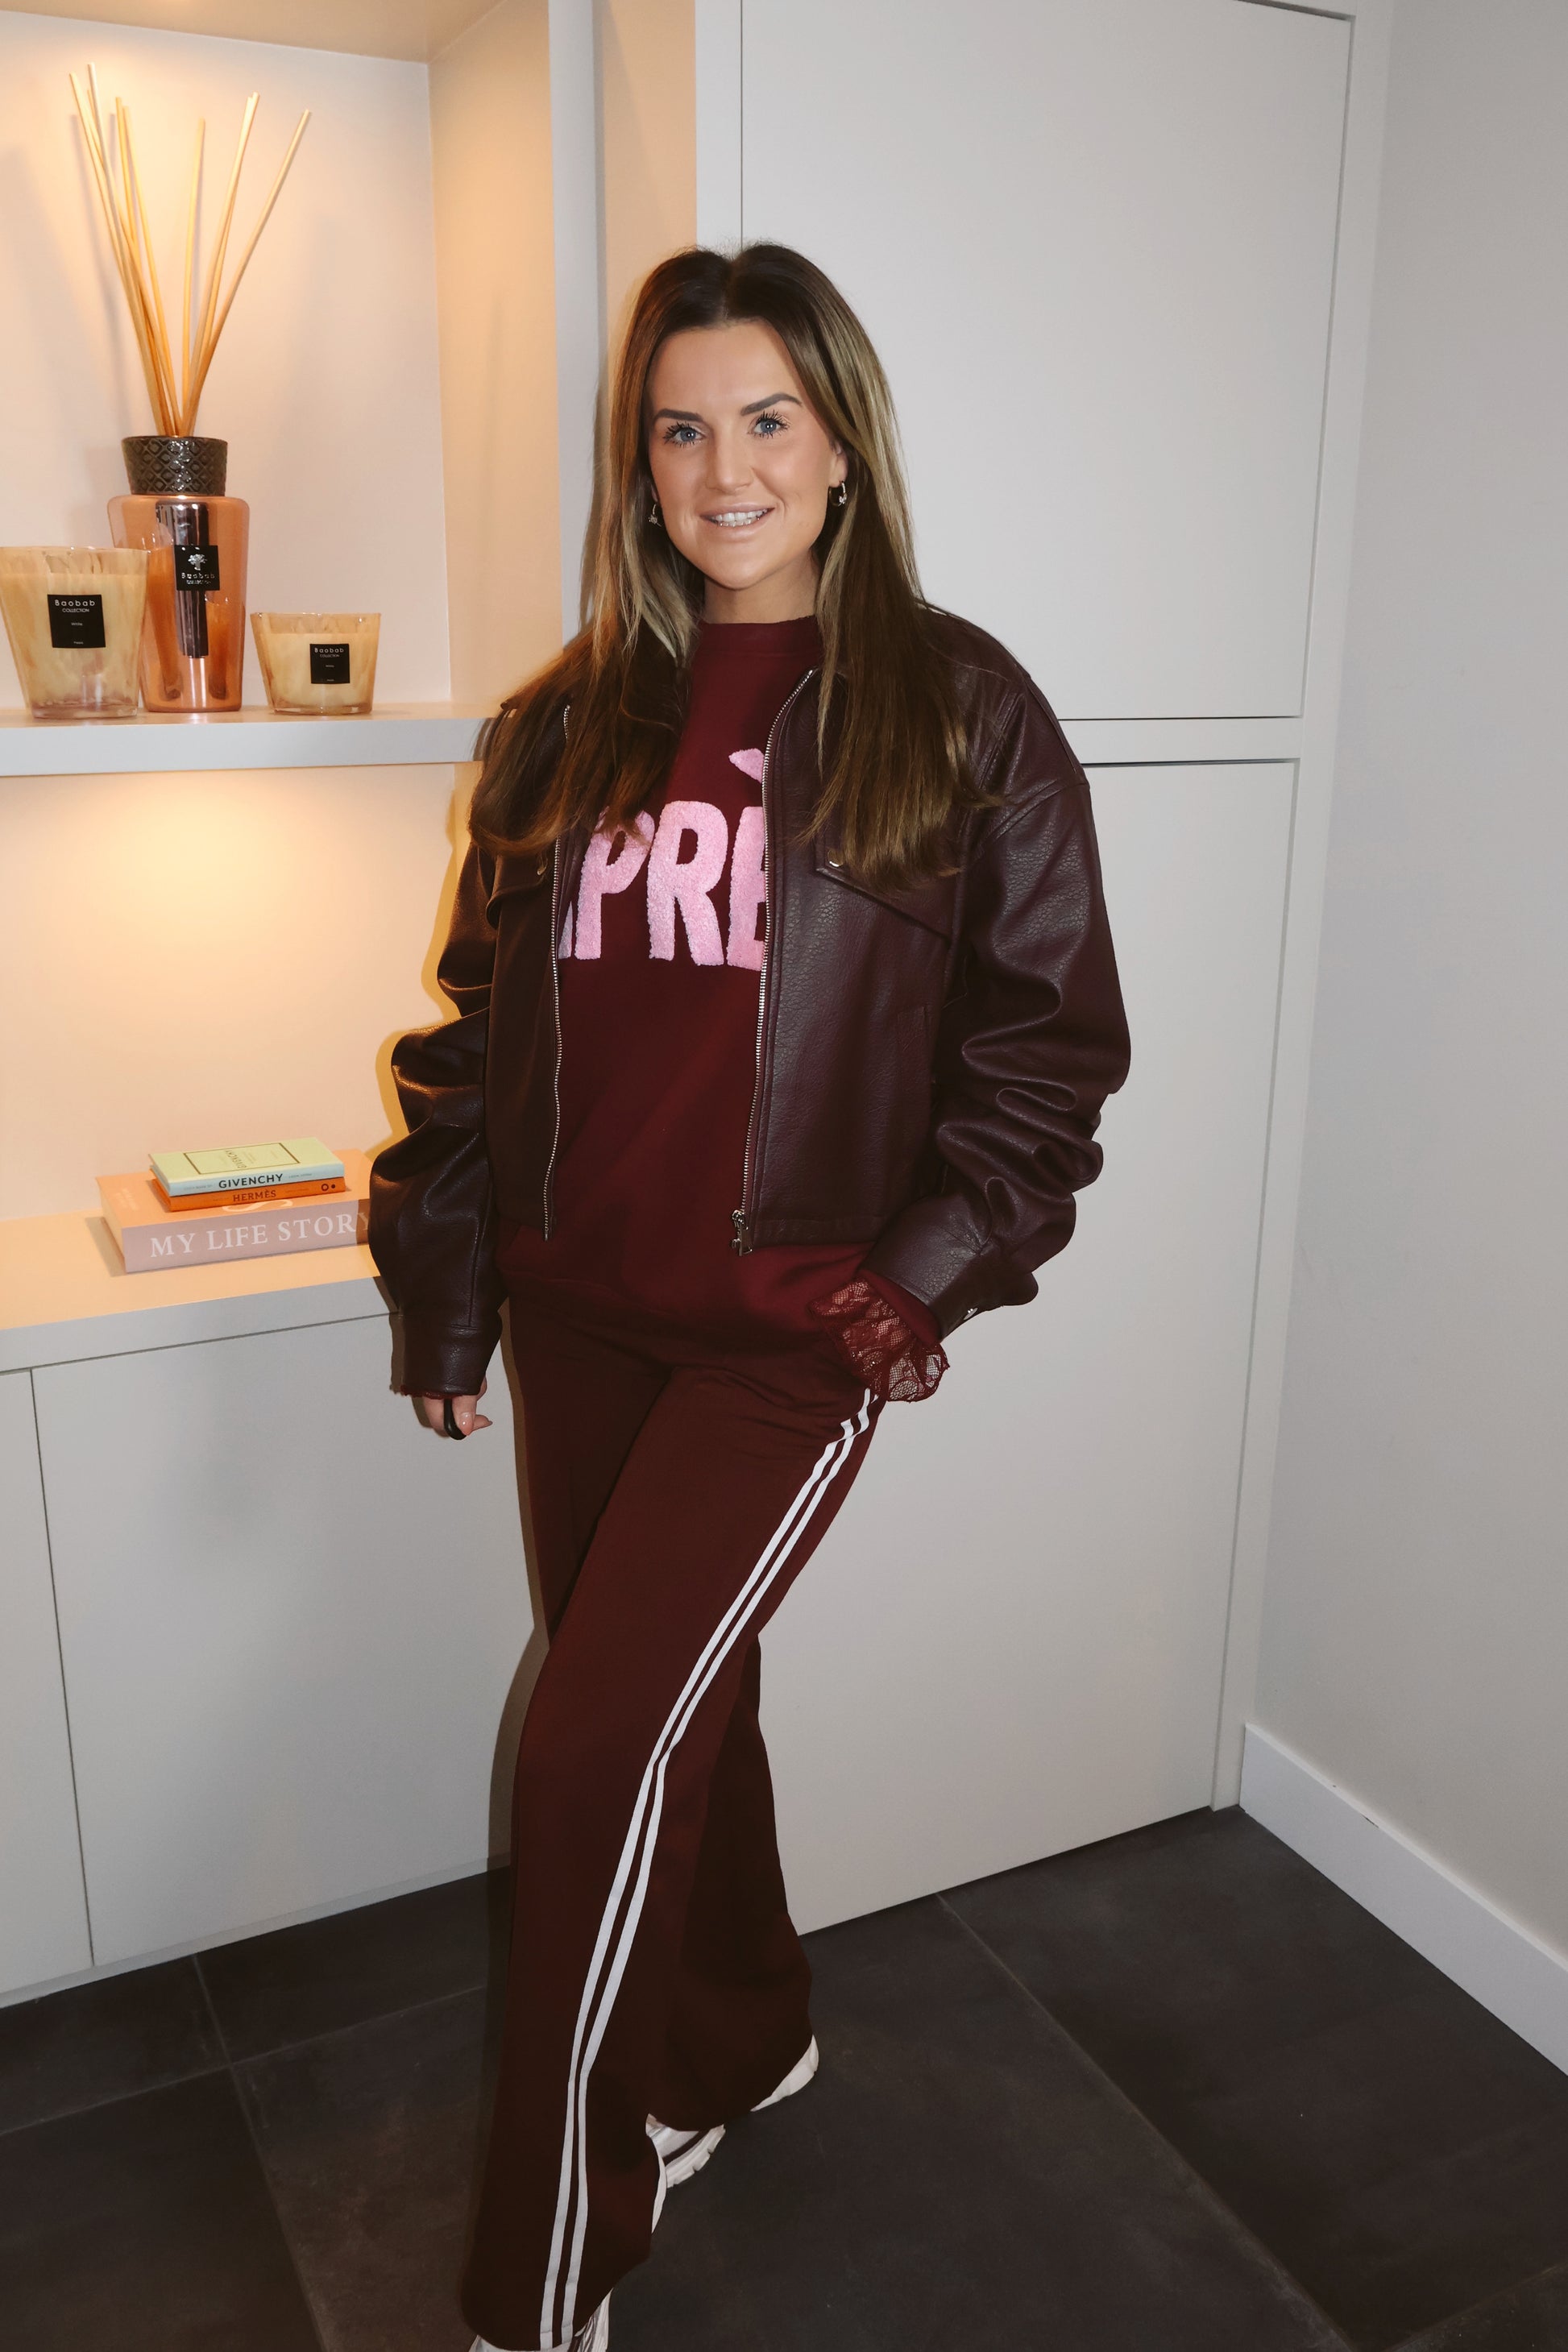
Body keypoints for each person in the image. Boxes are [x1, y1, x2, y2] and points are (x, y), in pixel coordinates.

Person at [369, 241, 1130, 2352]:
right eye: (681, 428)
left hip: (783, 1340)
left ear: (843, 440)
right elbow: (476, 1037)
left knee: (587, 1758)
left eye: (768, 419)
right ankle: (743, 2038)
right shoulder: (566, 722)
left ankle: (547, 2266)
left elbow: (1047, 1056)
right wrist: (448, 1291)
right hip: (578, 1312)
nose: (725, 470)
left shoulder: (957, 709)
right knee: (674, 1705)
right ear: (641, 463)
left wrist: (907, 1289)